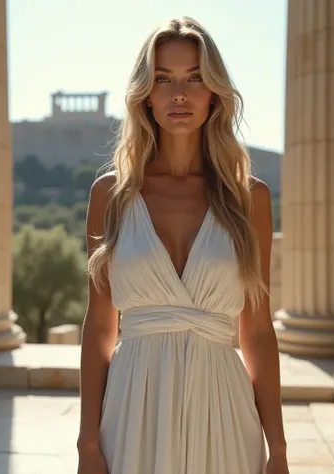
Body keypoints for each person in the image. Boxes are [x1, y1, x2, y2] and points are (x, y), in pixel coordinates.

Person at [77, 16, 289, 474]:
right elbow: (98, 329)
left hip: (223, 409)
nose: (179, 94)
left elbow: (256, 332)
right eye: (163, 79)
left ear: (214, 93)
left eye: (194, 78)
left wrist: (280, 450)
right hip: (132, 407)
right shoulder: (109, 197)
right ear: (145, 95)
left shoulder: (250, 199)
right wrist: (87, 443)